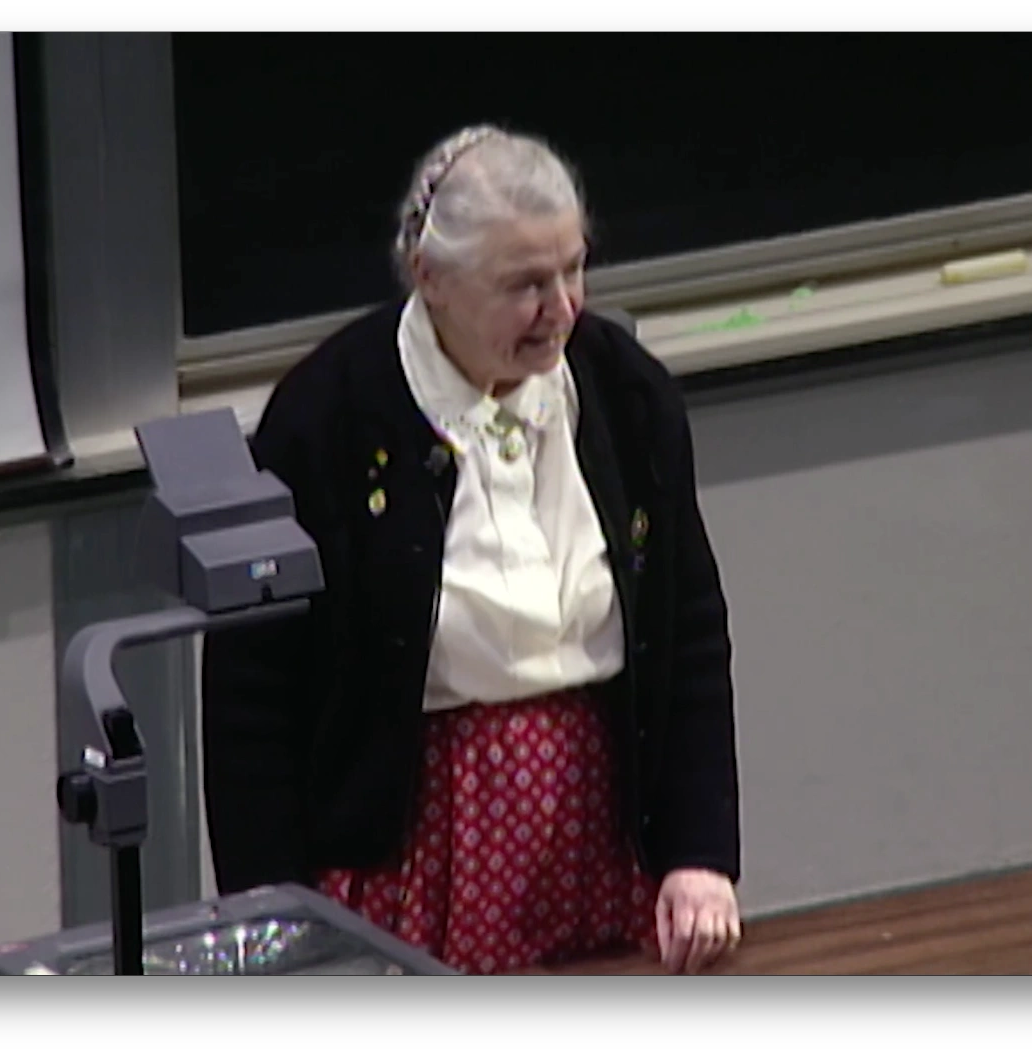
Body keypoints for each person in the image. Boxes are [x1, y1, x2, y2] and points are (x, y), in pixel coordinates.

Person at [200, 124, 742, 976]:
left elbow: (689, 633)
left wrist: (698, 855)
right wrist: (273, 929)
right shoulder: (327, 416)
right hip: (410, 858)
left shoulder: (625, 393)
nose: (561, 307)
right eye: (525, 284)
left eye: (573, 268)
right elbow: (253, 695)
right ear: (432, 278)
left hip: (598, 849)